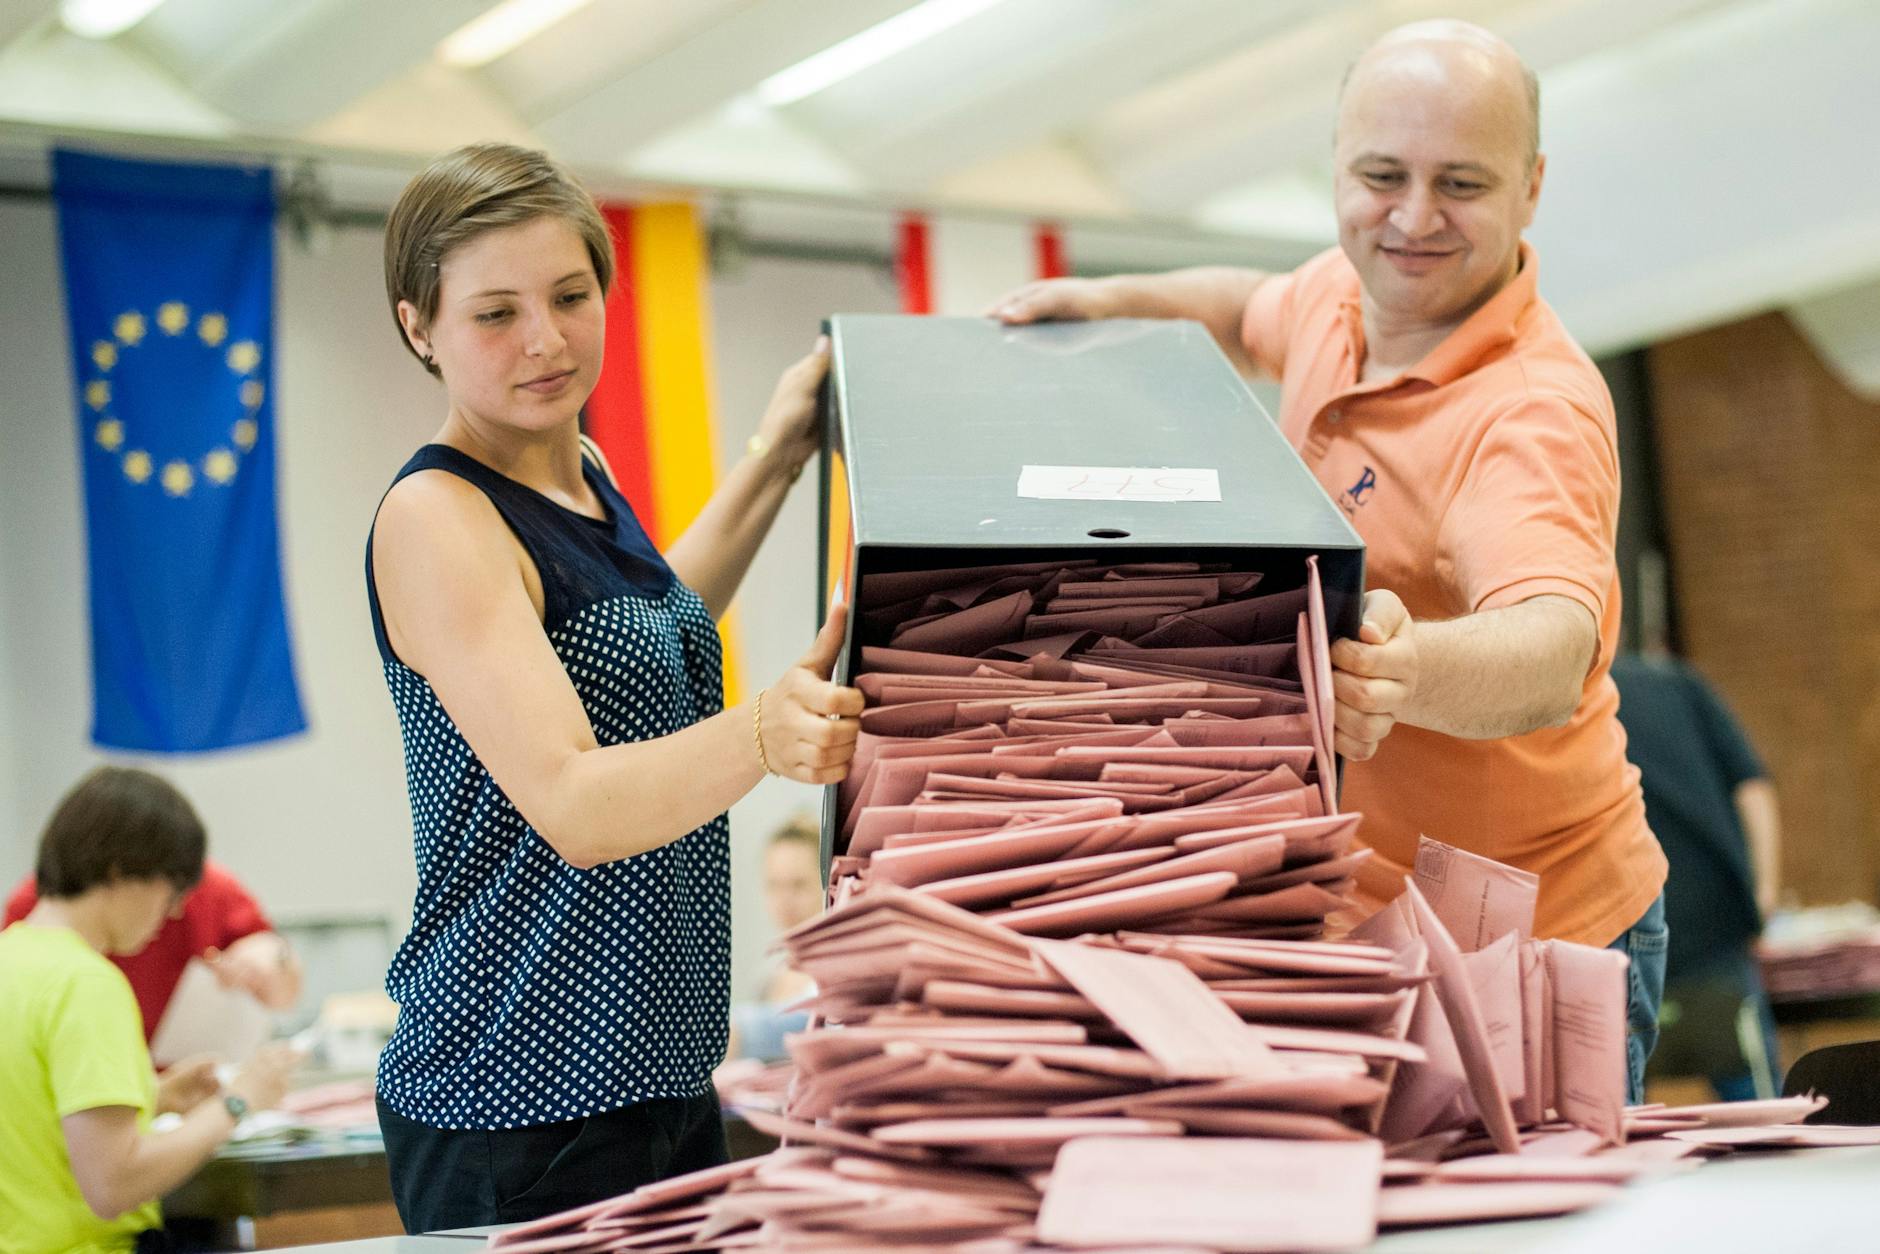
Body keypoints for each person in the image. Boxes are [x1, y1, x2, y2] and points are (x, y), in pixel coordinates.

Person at [992, 20, 1668, 1099]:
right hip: (1366, 906)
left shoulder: (1527, 412)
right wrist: (1112, 302)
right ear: (1336, 169)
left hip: (1536, 934)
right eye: (1378, 176)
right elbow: (1238, 305)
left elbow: (1551, 649)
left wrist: (1402, 673)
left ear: (1530, 187)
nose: (1409, 218)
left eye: (1460, 184)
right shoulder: (1336, 298)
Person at [367, 142, 863, 1231]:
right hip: (517, 1100)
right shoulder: (439, 516)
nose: (544, 340)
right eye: (494, 313)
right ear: (420, 327)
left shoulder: (581, 471)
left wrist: (777, 456)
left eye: (570, 296)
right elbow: (575, 801)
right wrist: (760, 737)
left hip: (656, 1074)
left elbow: (654, 629)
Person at [0, 767, 297, 1253]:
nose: (176, 911)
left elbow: (35, 1115)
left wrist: (152, 1096)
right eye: (172, 889)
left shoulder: (10, 958)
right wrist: (238, 1101)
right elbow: (112, 1185)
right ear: (120, 871)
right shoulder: (87, 984)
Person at [1611, 650, 1784, 1100]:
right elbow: (1752, 786)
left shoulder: (1570, 702)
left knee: (1622, 1122)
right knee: (1765, 1115)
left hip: (1621, 931)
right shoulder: (1676, 682)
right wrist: (1762, 892)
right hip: (1715, 924)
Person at [6, 858, 304, 1046]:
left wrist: (267, 959)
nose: (171, 912)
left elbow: (282, 981)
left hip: (179, 1087)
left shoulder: (206, 890)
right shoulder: (42, 909)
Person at [726, 816, 823, 1063]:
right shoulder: (768, 976)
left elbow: (813, 1024)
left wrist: (739, 1032)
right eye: (774, 885)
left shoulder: (838, 972)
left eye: (798, 885)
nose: (785, 899)